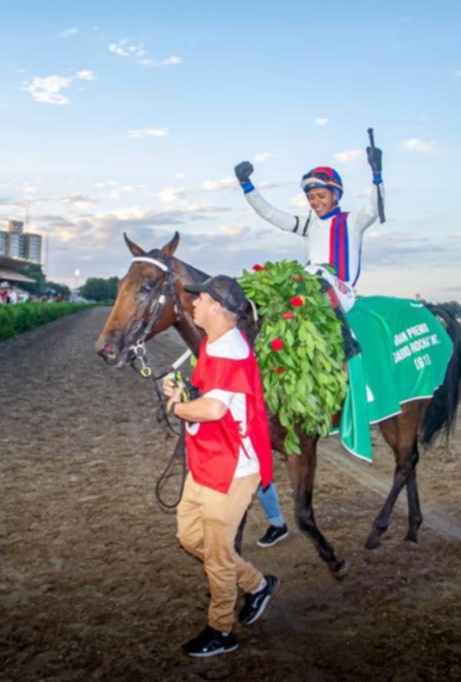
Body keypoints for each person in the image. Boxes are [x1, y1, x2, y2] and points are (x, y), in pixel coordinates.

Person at [162, 274, 280, 658]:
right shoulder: (213, 344)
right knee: (189, 538)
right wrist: (182, 393)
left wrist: (176, 407)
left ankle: (221, 630)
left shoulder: (230, 350)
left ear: (215, 306)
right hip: (207, 462)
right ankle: (257, 584)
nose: (192, 304)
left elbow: (213, 409)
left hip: (231, 470)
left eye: (198, 299)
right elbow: (206, 395)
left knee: (215, 557)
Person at [234, 145, 384, 357]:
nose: (316, 202)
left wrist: (377, 175)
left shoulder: (352, 221)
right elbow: (270, 214)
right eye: (311, 197)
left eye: (321, 195)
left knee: (315, 270)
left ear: (336, 195)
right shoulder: (308, 225)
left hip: (343, 293)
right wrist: (246, 186)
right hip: (313, 291)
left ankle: (346, 342)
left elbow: (374, 208)